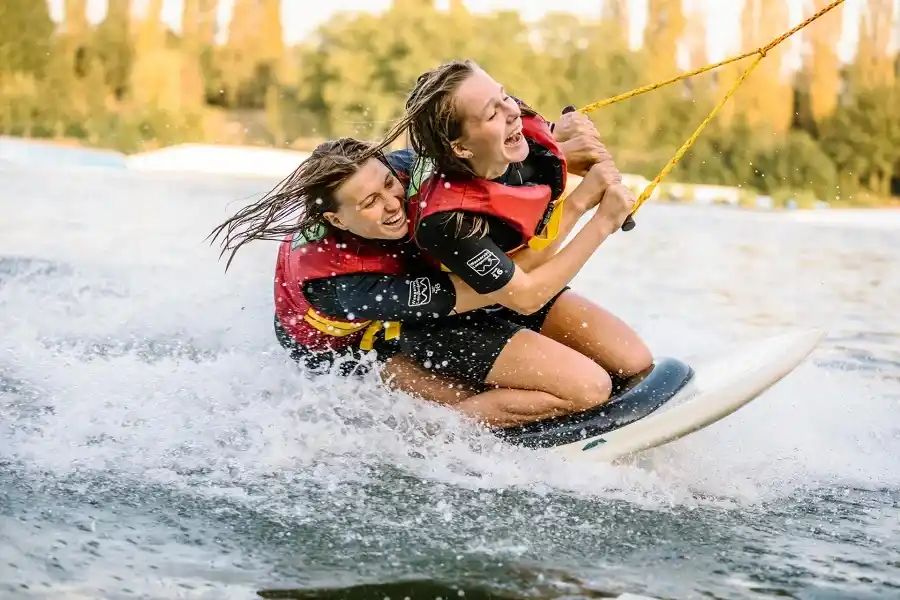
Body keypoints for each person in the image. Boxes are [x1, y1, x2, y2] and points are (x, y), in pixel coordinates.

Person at [344, 58, 654, 427]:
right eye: (493, 113)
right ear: (460, 147)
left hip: (507, 288)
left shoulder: (514, 132)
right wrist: (599, 217)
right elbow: (525, 296)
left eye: (504, 96)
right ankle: (442, 432)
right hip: (448, 324)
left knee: (634, 361)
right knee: (590, 388)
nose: (512, 112)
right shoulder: (445, 219)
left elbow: (552, 154)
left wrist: (569, 137)